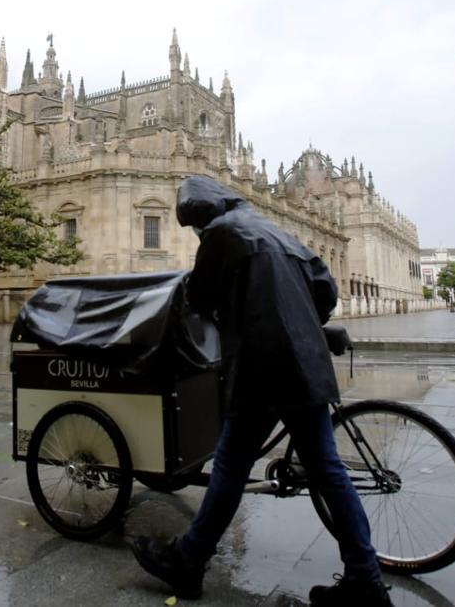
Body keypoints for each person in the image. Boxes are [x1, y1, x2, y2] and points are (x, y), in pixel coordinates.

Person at [132, 175, 390, 606]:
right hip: (305, 364)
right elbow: (325, 290)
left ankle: (189, 561)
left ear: (203, 213)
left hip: (262, 366)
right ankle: (365, 578)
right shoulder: (275, 229)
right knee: (327, 468)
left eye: (193, 222)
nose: (196, 231)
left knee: (232, 463)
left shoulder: (221, 234)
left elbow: (198, 296)